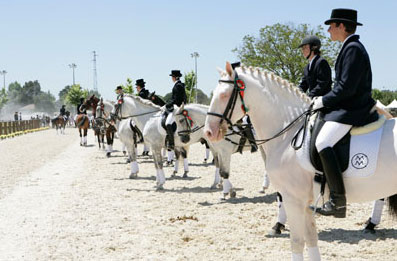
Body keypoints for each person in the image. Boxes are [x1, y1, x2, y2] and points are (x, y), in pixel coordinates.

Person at [312, 8, 378, 218]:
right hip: (348, 104)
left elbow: (346, 88)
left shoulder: (353, 49)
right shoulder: (348, 47)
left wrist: (323, 100)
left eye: (331, 25)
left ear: (341, 26)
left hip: (354, 107)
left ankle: (338, 200)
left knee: (322, 142)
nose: (329, 30)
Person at [164, 70, 187, 149]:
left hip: (177, 107)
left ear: (175, 77)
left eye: (172, 77)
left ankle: (171, 143)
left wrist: (168, 104)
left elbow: (176, 99)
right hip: (177, 106)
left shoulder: (178, 85)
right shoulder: (179, 85)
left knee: (168, 123)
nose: (171, 78)